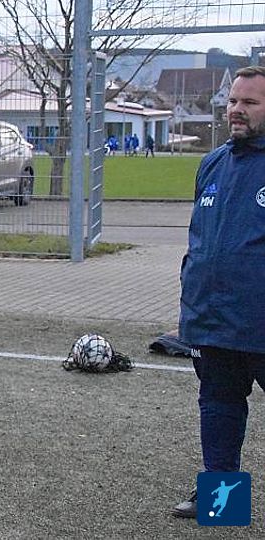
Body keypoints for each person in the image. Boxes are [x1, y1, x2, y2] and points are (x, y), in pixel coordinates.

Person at [172, 66, 265, 519]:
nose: (236, 110)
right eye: (232, 101)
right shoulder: (212, 163)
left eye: (250, 102)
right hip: (213, 319)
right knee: (219, 407)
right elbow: (201, 238)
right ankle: (222, 503)